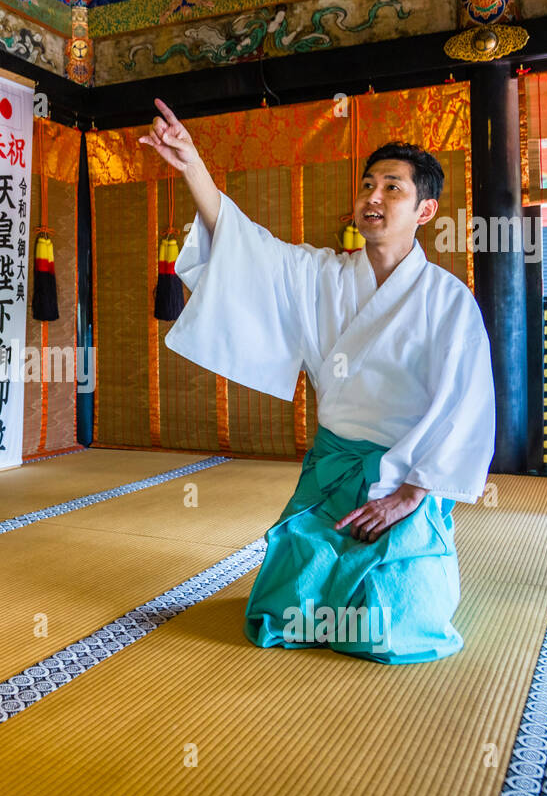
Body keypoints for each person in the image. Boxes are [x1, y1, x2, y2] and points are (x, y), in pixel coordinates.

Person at [140, 98, 495, 664]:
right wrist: (191, 167)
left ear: (425, 211)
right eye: (368, 185)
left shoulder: (447, 300)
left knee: (384, 627)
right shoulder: (321, 276)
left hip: (403, 475)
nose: (373, 198)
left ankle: (415, 554)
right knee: (284, 615)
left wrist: (410, 494)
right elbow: (244, 247)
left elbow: (466, 405)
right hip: (332, 469)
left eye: (393, 188)